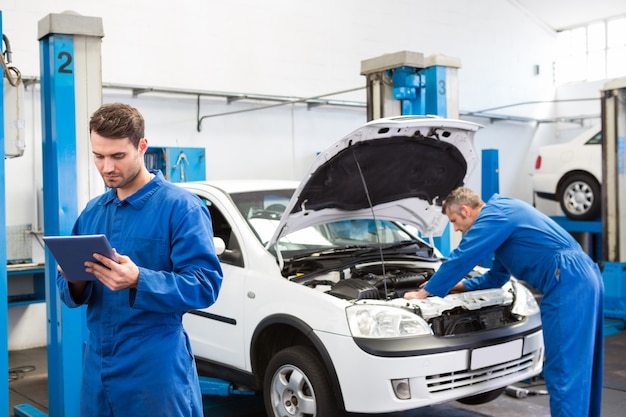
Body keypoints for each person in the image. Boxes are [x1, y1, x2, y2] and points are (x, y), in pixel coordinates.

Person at [56, 103, 223, 417]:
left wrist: (138, 279)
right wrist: (74, 279)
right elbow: (68, 291)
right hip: (97, 361)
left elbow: (205, 285)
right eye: (98, 156)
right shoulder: (93, 211)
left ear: (142, 146)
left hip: (154, 363)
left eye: (118, 156)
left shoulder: (181, 208)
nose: (107, 167)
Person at [404, 187, 604, 417]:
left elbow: (463, 256)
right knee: (583, 364)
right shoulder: (504, 217)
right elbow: (497, 277)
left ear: (466, 210)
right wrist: (457, 287)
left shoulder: (495, 216)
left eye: (454, 220)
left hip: (568, 280)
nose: (456, 228)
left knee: (564, 369)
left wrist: (425, 293)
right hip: (584, 275)